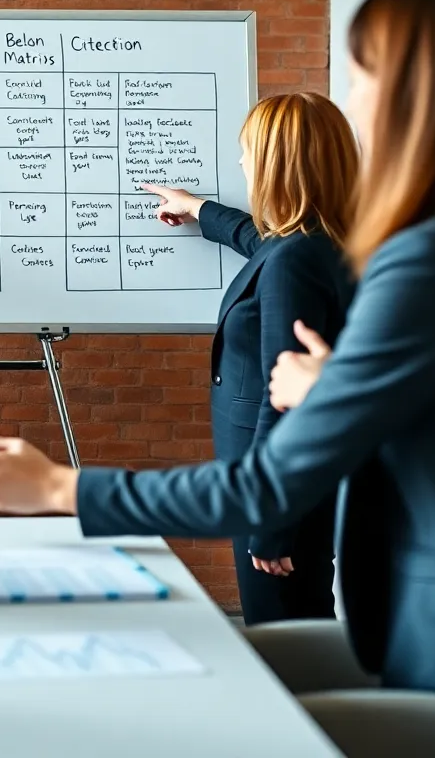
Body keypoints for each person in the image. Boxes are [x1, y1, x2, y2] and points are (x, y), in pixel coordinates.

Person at [0, 0, 435, 693]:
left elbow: (266, 480)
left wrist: (57, 486)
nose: (355, 105)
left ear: (419, 96)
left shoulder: (422, 258)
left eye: (363, 79)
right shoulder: (396, 244)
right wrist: (205, 213)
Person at [140, 92, 358, 625]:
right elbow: (255, 240)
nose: (240, 163)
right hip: (286, 483)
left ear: (276, 162)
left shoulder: (294, 260)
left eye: (247, 151)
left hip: (271, 489)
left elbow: (285, 399)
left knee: (284, 629)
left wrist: (269, 521)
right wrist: (196, 209)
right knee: (300, 620)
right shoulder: (312, 242)